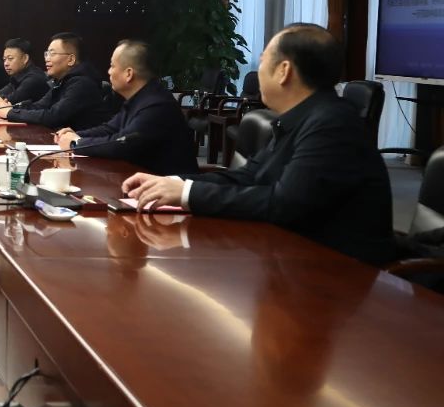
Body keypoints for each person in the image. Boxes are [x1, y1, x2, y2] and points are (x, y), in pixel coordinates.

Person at [123, 24, 395, 264]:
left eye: (263, 61)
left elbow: (285, 204)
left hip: (339, 272)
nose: (257, 71)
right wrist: (173, 183)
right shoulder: (301, 118)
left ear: (284, 71)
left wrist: (187, 194)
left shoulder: (331, 125)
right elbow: (249, 176)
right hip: (294, 258)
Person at [54, 40, 197, 175]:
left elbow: (121, 143)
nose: (109, 72)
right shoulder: (139, 98)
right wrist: (76, 134)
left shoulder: (157, 105)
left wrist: (76, 143)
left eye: (112, 66)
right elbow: (110, 129)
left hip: (168, 186)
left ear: (129, 74)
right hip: (140, 178)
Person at [0, 32, 110, 130]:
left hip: (83, 146)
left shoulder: (82, 83)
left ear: (71, 59)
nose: (47, 59)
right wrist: (11, 109)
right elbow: (39, 106)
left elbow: (53, 116)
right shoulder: (63, 80)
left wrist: (9, 113)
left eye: (52, 54)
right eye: (47, 54)